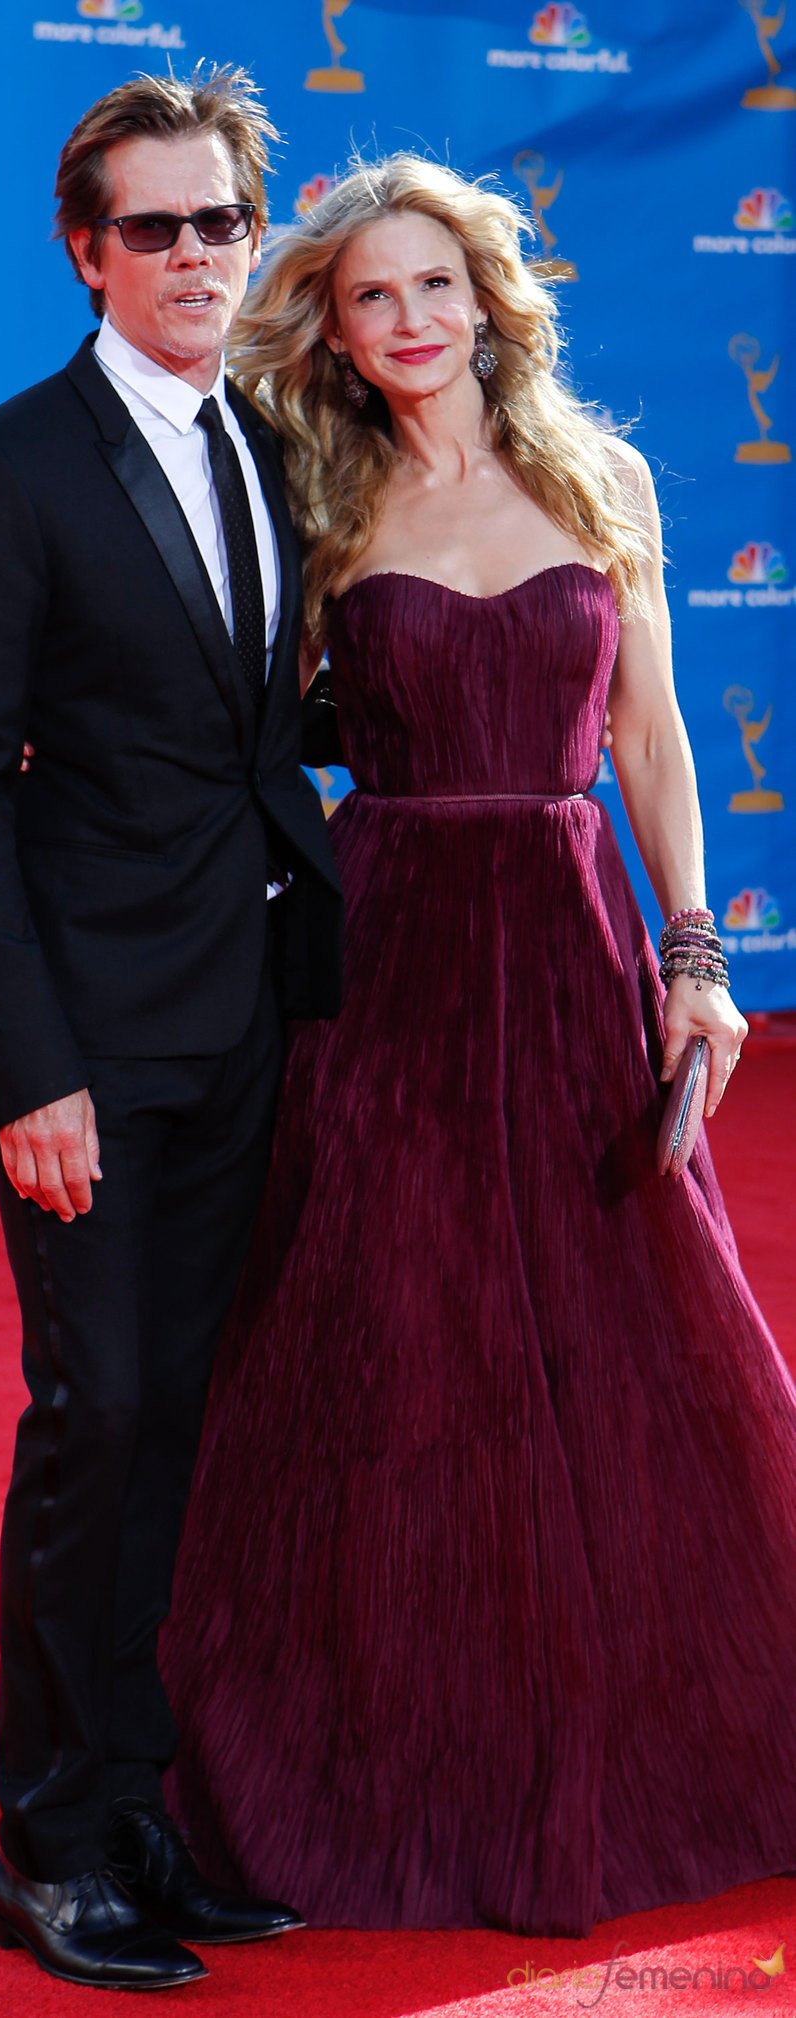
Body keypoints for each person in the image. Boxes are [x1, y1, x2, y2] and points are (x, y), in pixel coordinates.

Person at [159, 156, 796, 1939]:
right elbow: (244, 739)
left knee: (627, 1317)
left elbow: (658, 747)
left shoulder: (606, 478)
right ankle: (381, 1724)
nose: (412, 319)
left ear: (493, 297)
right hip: (391, 948)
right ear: (340, 330)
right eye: (375, 295)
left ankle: (668, 1713)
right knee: (388, 1324)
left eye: (439, 284)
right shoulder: (315, 495)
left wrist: (696, 957)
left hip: (581, 930)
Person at [0, 68, 342, 1992]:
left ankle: (140, 1804)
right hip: (92, 1051)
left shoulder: (265, 442)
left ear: (255, 237)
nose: (191, 259)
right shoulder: (7, 466)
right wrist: (32, 1072)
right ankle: (49, 1842)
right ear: (86, 254)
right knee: (98, 1421)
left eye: (218, 225)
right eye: (151, 229)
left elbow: (253, 738)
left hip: (247, 1021)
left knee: (184, 1420)